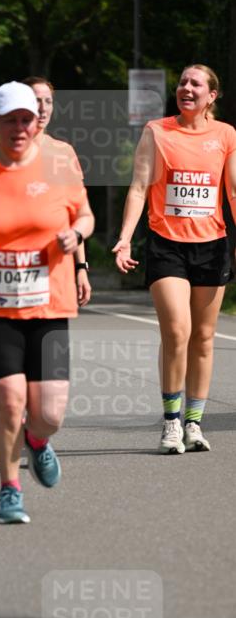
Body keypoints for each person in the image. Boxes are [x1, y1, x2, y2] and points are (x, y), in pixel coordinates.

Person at [0, 81, 94, 523]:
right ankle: (9, 489)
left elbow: (84, 214)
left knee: (48, 413)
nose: (19, 127)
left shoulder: (59, 168)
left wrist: (77, 235)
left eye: (26, 118)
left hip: (49, 302)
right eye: (9, 119)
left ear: (37, 121)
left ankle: (38, 441)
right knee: (9, 401)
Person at [114, 64, 236, 454]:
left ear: (211, 96)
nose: (186, 88)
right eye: (182, 82)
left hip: (212, 244)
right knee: (177, 331)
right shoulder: (157, 131)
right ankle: (170, 422)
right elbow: (138, 188)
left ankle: (194, 423)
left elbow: (233, 190)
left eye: (195, 84)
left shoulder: (226, 135)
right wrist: (123, 239)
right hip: (166, 244)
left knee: (203, 336)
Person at [0, 77, 92, 465]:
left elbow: (76, 214)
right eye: (36, 101)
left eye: (48, 102)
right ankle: (9, 424)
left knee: (45, 390)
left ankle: (33, 431)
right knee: (11, 378)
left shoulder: (63, 153)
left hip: (51, 280)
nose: (42, 109)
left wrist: (80, 265)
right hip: (4, 281)